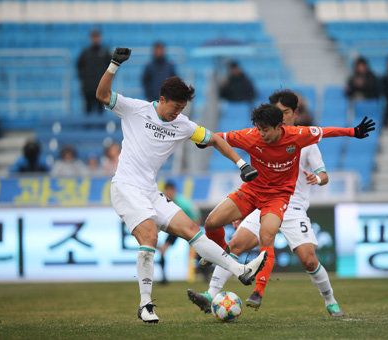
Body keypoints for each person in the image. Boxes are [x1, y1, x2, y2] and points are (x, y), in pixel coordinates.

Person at [95, 47, 267, 323]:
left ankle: (241, 271)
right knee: (150, 236)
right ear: (161, 99)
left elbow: (215, 140)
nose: (178, 113)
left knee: (191, 230)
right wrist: (114, 63)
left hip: (150, 191)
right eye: (175, 107)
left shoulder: (184, 125)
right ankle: (145, 305)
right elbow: (102, 95)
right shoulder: (135, 110)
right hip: (126, 187)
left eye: (182, 109)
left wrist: (241, 164)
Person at [193, 102, 374, 312]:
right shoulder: (253, 135)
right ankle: (211, 292)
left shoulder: (301, 137)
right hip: (255, 194)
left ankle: (328, 300)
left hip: (287, 203)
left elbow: (327, 133)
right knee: (224, 232)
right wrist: (203, 142)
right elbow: (220, 138)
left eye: (287, 112)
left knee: (307, 259)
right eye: (259, 128)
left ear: (286, 119)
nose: (261, 133)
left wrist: (353, 132)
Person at [158, 181, 202, 284]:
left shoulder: (183, 202)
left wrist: (196, 229)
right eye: (166, 191)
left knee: (199, 249)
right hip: (176, 227)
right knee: (163, 249)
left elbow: (196, 215)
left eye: (170, 191)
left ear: (174, 191)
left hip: (189, 228)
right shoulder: (164, 202)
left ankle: (205, 273)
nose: (168, 193)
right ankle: (164, 278)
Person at [77, 29, 112, 115]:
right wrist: (84, 80)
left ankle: (101, 128)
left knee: (101, 111)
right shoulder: (85, 53)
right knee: (88, 111)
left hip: (101, 88)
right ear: (91, 38)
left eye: (97, 37)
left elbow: (112, 67)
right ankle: (87, 128)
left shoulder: (105, 52)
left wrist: (107, 81)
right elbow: (79, 66)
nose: (96, 39)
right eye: (94, 37)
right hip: (88, 88)